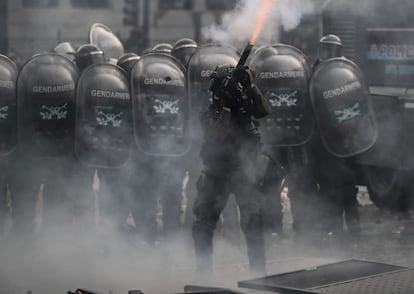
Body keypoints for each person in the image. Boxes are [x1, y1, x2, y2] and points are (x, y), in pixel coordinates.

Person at [192, 63, 271, 277]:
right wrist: (226, 106)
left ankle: (259, 273)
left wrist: (247, 89)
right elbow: (217, 133)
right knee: (203, 223)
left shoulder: (245, 110)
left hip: (243, 170)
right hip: (217, 170)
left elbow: (264, 111)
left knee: (253, 220)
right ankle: (204, 273)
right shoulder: (209, 113)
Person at [311, 34, 361, 236]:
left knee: (348, 187)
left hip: (345, 137)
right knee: (328, 188)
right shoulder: (315, 73)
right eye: (324, 49)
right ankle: (333, 229)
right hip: (323, 138)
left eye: (330, 50)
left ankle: (354, 229)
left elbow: (358, 103)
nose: (326, 54)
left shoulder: (347, 73)